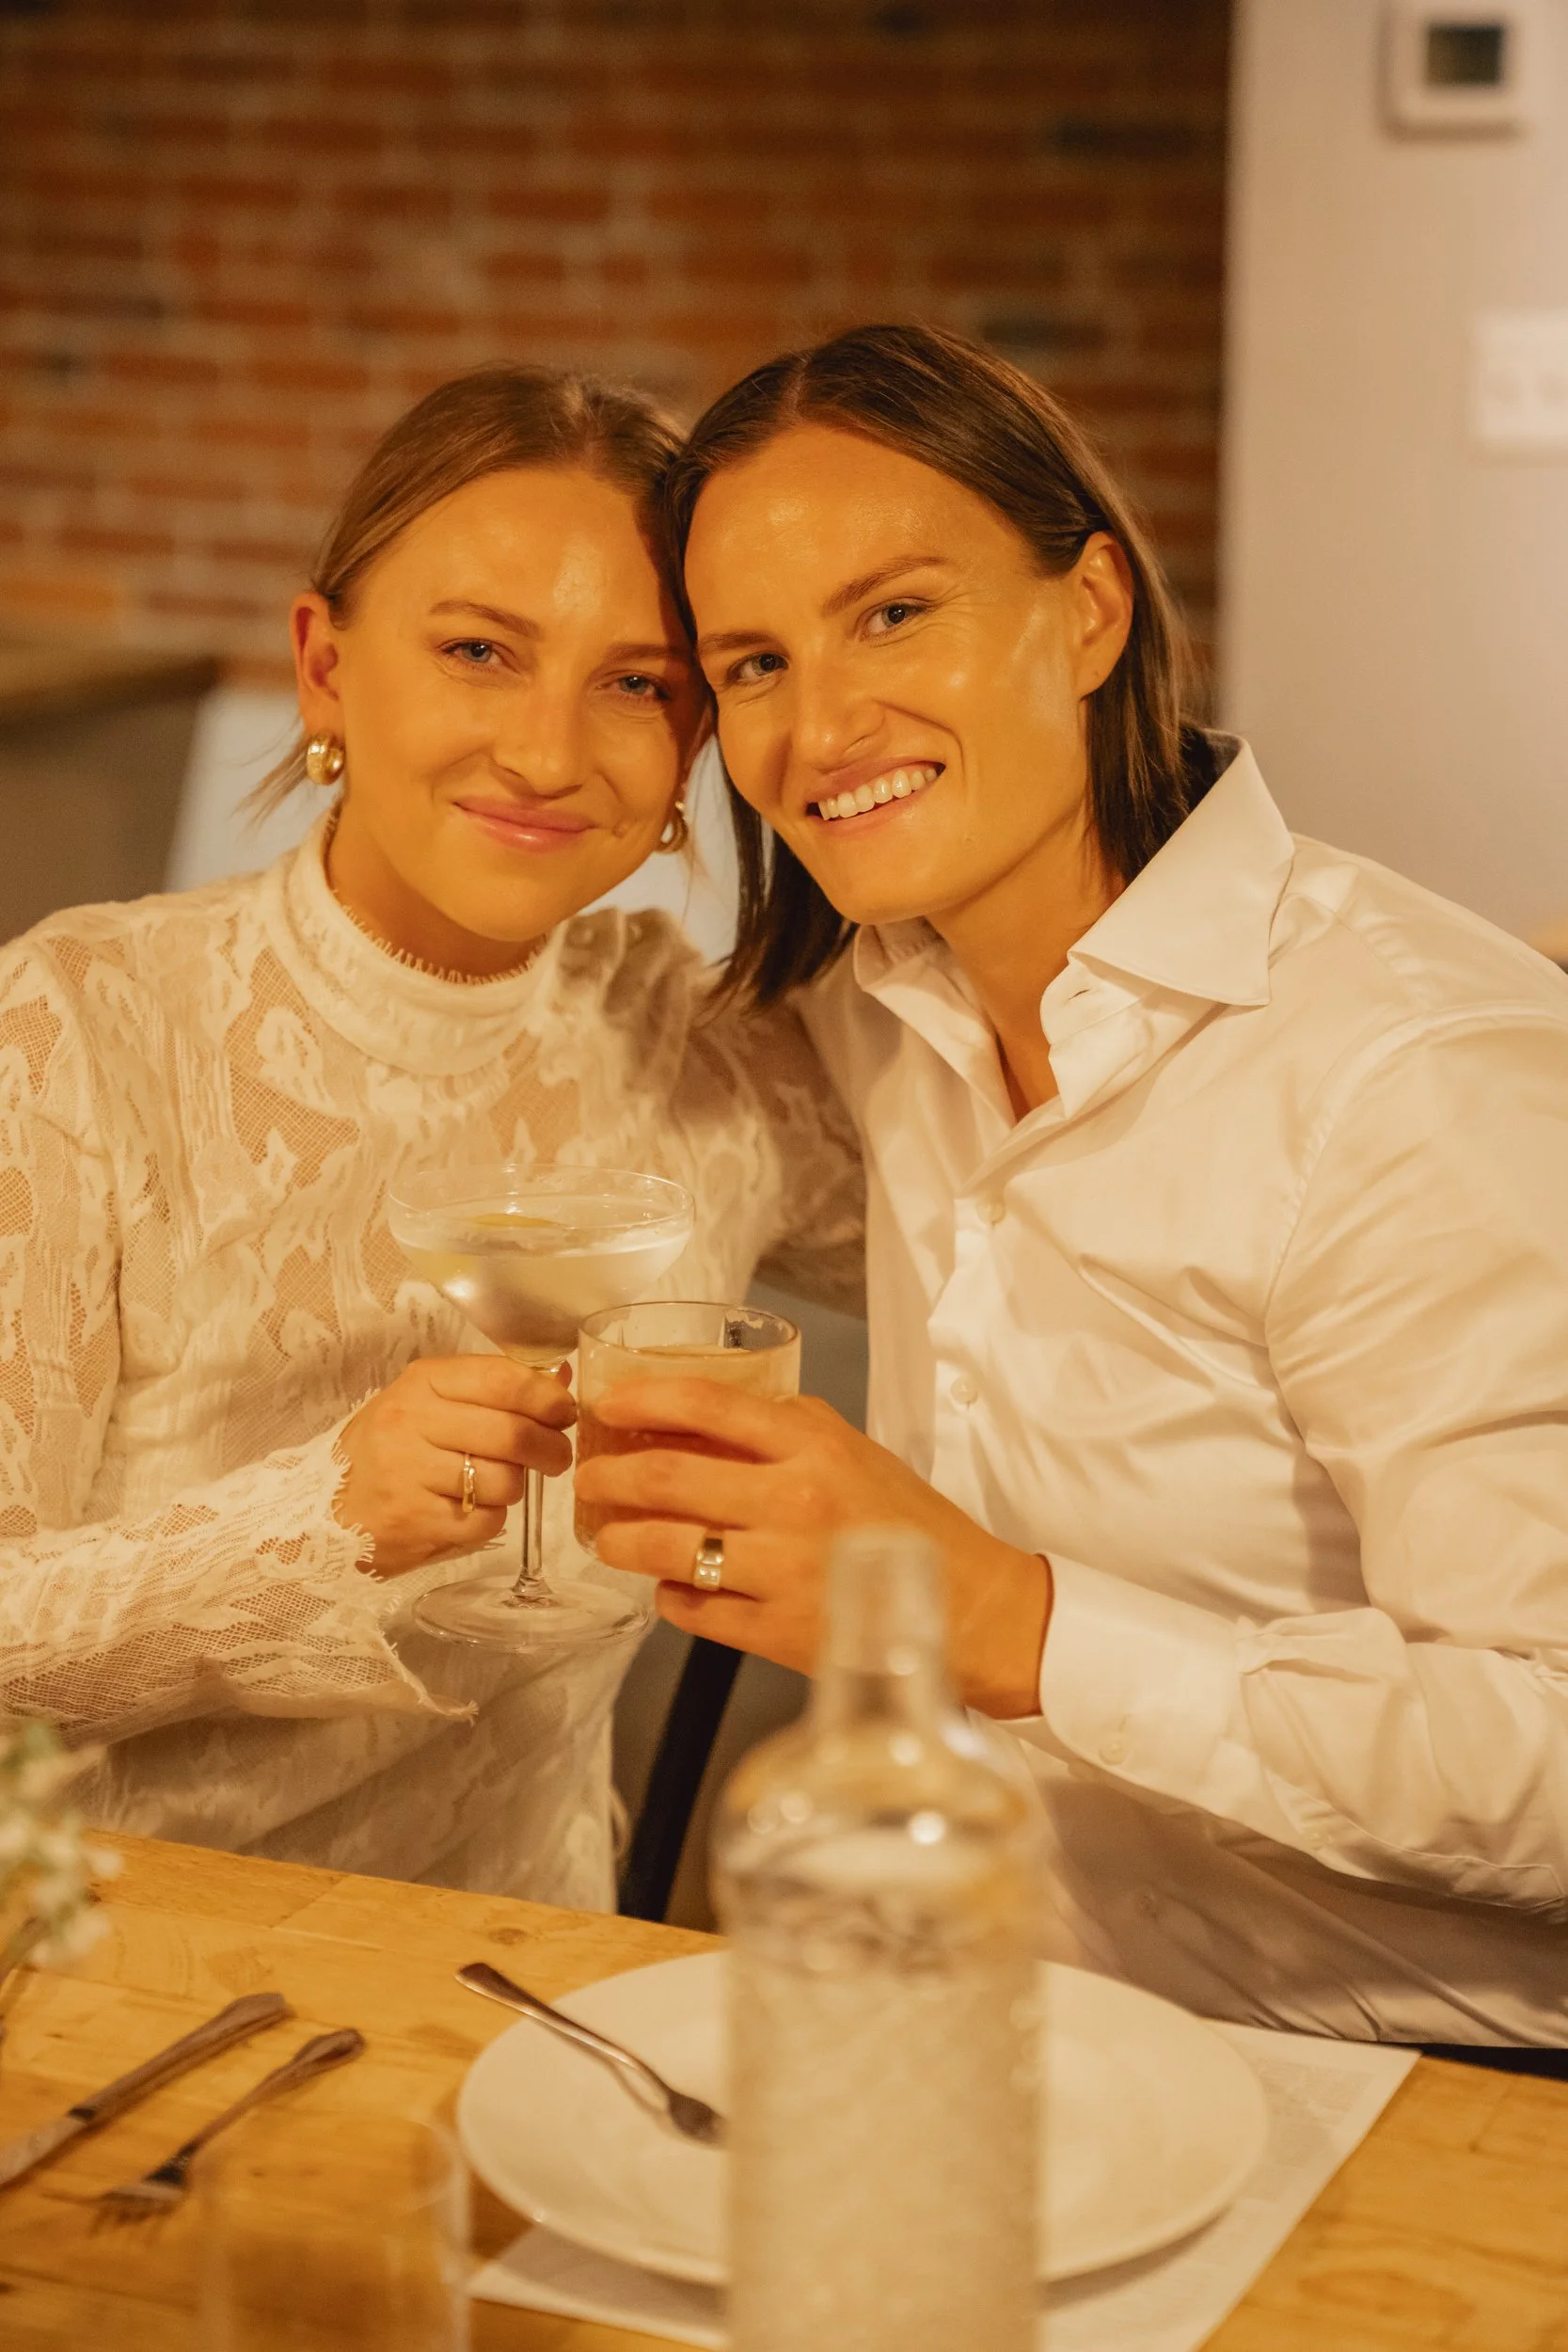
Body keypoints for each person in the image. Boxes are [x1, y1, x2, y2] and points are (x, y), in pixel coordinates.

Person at [577, 322, 1568, 2042]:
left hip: (1399, 2097)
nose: (821, 725)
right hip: (986, 2012)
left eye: (894, 612)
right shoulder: (883, 1005)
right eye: (749, 663)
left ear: (1090, 610)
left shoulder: (1411, 1076)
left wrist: (1008, 1626)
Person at [0, 366, 861, 1907]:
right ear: (325, 666)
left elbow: (1027, 1214)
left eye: (636, 684)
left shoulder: (689, 1044)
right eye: (478, 651)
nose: (544, 754)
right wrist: (318, 1516)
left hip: (522, 1982)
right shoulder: (78, 1026)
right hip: (106, 1980)